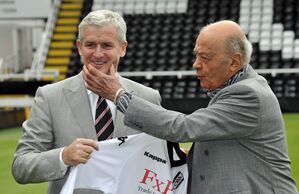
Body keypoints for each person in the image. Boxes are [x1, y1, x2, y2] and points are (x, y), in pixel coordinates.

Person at [84, 20, 298, 193]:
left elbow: (184, 127)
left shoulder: (248, 94)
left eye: (205, 57)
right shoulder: (235, 87)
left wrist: (119, 95)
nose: (196, 64)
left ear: (234, 62)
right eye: (196, 55)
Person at [12, 10, 161, 194]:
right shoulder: (50, 97)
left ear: (122, 48)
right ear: (79, 46)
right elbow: (21, 165)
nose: (98, 54)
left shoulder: (148, 97)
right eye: (90, 45)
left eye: (107, 45)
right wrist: (63, 156)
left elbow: (159, 160)